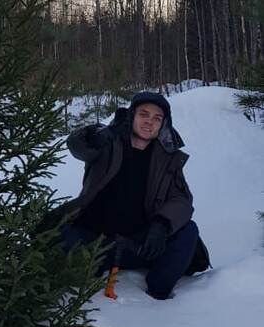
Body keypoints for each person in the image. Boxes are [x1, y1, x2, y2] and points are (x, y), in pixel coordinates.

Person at [62, 91, 209, 300]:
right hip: (94, 239)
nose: (149, 122)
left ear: (163, 124)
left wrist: (161, 225)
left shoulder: (168, 157)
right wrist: (94, 136)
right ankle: (87, 272)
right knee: (55, 235)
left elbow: (182, 200)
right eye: (144, 114)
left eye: (157, 118)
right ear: (132, 115)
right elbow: (78, 146)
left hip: (139, 245)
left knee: (187, 232)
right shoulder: (108, 142)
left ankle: (158, 298)